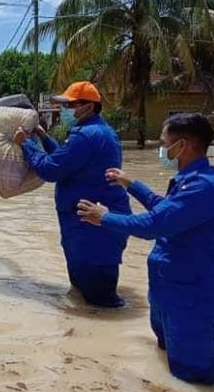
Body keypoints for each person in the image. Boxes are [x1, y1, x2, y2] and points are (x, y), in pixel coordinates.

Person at [78, 113, 214, 385]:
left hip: (191, 298)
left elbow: (154, 225)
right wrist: (131, 184)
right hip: (168, 289)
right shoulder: (188, 180)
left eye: (164, 143)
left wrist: (105, 217)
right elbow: (164, 208)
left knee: (193, 377)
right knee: (166, 361)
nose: (161, 149)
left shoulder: (203, 187)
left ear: (184, 145)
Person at [13, 81, 131, 308]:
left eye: (70, 105)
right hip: (87, 226)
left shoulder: (86, 136)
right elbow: (66, 161)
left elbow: (51, 170)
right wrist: (45, 139)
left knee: (101, 303)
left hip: (92, 229)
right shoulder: (98, 132)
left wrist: (26, 144)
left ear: (87, 107)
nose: (66, 110)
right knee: (82, 295)